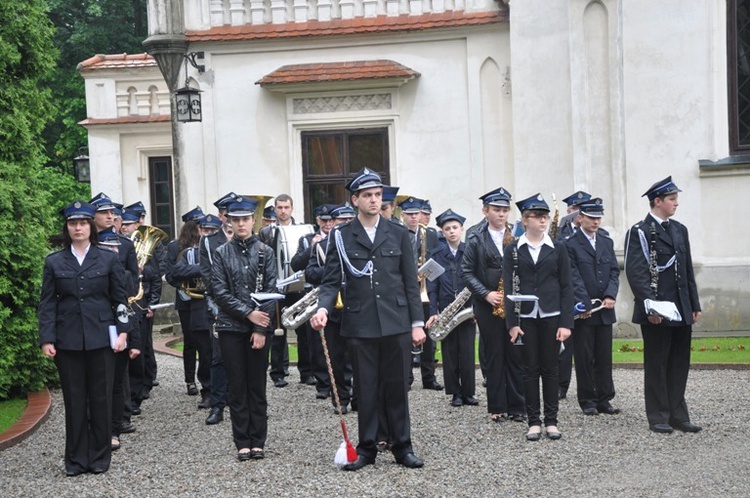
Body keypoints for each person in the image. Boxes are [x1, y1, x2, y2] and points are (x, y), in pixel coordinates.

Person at [310, 168, 426, 471]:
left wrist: (417, 323)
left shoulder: (399, 233)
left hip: (396, 321)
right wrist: (323, 308)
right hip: (361, 322)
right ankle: (367, 448)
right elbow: (331, 280)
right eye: (368, 196)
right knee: (366, 387)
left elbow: (410, 283)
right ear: (355, 200)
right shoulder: (341, 236)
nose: (374, 200)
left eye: (377, 195)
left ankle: (403, 446)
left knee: (397, 387)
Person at [38, 201, 131, 476]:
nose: (78, 228)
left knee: (101, 399)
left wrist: (123, 332)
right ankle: (77, 460)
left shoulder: (108, 258)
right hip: (68, 342)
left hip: (102, 339)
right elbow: (47, 304)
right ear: (67, 228)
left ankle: (100, 458)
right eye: (72, 223)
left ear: (91, 226)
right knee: (75, 400)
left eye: (83, 223)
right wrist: (47, 339)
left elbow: (119, 299)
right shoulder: (54, 261)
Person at [624, 176, 702, 434]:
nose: (676, 203)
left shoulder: (680, 230)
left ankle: (678, 414)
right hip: (658, 308)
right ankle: (658, 415)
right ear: (657, 201)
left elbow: (687, 270)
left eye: (675, 199)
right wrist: (652, 307)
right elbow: (636, 273)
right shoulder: (640, 232)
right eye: (672, 199)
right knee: (657, 362)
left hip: (681, 306)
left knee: (680, 361)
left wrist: (693, 303)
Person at [503, 193, 574, 441]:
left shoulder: (558, 248)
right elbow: (509, 289)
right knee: (529, 369)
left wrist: (566, 323)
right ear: (525, 220)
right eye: (537, 216)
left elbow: (567, 287)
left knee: (551, 369)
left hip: (552, 315)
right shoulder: (513, 249)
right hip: (526, 317)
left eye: (545, 217)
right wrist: (512, 323)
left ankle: (552, 421)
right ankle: (533, 421)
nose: (543, 221)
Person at [212, 197, 277, 461]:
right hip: (231, 327)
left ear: (253, 221)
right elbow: (219, 291)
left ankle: (258, 439)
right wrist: (248, 313)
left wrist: (260, 329)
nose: (241, 224)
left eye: (245, 219)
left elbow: (272, 290)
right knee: (237, 386)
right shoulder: (220, 253)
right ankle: (242, 441)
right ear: (229, 221)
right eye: (236, 219)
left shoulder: (266, 251)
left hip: (259, 328)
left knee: (257, 385)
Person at [461, 187, 525, 423]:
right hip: (488, 305)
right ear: (485, 211)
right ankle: (497, 406)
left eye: (505, 210)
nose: (501, 214)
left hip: (513, 304)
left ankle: (518, 406)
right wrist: (485, 294)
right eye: (496, 210)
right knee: (495, 355)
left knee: (516, 354)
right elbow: (466, 272)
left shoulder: (518, 234)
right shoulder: (476, 237)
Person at [563, 198, 620, 415]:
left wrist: (610, 294)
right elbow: (572, 276)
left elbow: (614, 271)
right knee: (585, 356)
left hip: (605, 308)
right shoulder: (570, 244)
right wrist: (584, 302)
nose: (596, 222)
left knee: (604, 356)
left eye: (598, 218)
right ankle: (587, 400)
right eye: (591, 217)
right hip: (584, 309)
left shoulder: (606, 242)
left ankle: (605, 399)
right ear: (580, 218)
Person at [304, 203, 356, 413]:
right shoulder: (322, 246)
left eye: (349, 220)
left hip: (357, 307)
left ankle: (360, 398)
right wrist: (332, 271)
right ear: (334, 224)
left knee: (359, 357)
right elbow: (310, 273)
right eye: (341, 221)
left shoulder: (360, 244)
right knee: (336, 357)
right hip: (333, 307)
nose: (345, 224)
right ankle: (340, 399)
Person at [426, 209, 477, 407]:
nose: (452, 232)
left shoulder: (471, 251)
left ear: (462, 229)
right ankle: (455, 392)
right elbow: (432, 287)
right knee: (449, 353)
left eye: (455, 227)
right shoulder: (436, 254)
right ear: (442, 232)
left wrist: (476, 310)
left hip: (467, 309)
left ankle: (469, 392)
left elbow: (476, 281)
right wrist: (433, 312)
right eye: (447, 229)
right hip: (446, 308)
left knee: (467, 352)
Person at [290, 204, 337, 400]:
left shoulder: (340, 238)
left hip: (338, 295)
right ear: (317, 220)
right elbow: (298, 266)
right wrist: (311, 248)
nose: (327, 224)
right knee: (317, 343)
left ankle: (342, 381)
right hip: (315, 295)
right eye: (323, 220)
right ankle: (323, 384)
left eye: (330, 220)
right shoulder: (307, 239)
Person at [259, 194, 304, 388]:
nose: (283, 211)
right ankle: (277, 372)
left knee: (304, 330)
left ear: (292, 208)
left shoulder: (301, 230)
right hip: (276, 286)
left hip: (298, 284)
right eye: (279, 207)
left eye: (286, 207)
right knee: (277, 331)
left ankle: (307, 372)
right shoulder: (266, 232)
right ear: (275, 209)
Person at [200, 192, 237, 425]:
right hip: (221, 306)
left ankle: (243, 402)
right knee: (219, 357)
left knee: (246, 357)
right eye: (227, 214)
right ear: (221, 216)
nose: (231, 219)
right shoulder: (208, 241)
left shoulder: (253, 241)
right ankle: (217, 405)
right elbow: (207, 274)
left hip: (247, 306)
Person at [399, 196, 442, 390]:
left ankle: (429, 378)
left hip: (426, 290)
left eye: (416, 214)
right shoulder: (397, 233)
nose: (414, 218)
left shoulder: (430, 234)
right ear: (402, 216)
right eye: (409, 214)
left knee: (429, 334)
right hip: (404, 291)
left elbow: (437, 258)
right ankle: (406, 378)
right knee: (406, 335)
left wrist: (423, 273)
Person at [171, 210, 213, 408]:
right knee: (201, 349)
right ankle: (204, 389)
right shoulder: (188, 252)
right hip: (196, 305)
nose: (208, 233)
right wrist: (204, 269)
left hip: (222, 307)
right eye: (206, 230)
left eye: (213, 230)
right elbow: (175, 272)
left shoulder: (225, 248)